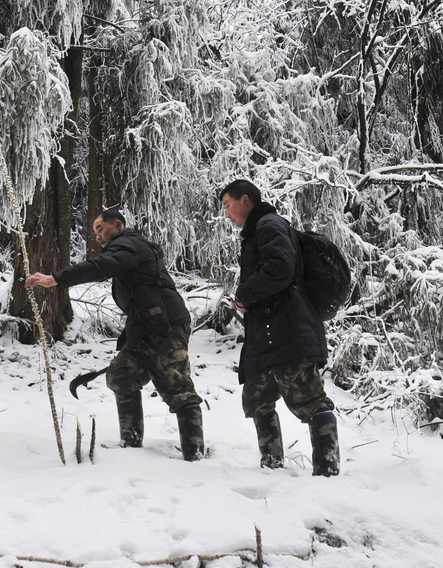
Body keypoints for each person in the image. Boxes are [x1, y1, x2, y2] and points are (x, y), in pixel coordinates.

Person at [25, 209, 205, 461]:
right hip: (146, 327)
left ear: (117, 225)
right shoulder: (127, 247)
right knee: (121, 375)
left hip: (166, 326)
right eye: (95, 231)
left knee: (177, 387)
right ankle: (130, 448)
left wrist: (55, 279)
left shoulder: (127, 244)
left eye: (100, 229)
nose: (97, 236)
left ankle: (194, 457)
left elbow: (102, 266)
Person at [219, 180, 340, 476]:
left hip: (288, 330)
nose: (227, 214)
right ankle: (271, 470)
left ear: (245, 200)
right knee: (257, 397)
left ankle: (328, 473)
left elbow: (280, 267)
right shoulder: (259, 231)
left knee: (308, 397)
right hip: (269, 333)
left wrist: (245, 294)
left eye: (227, 206)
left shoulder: (269, 225)